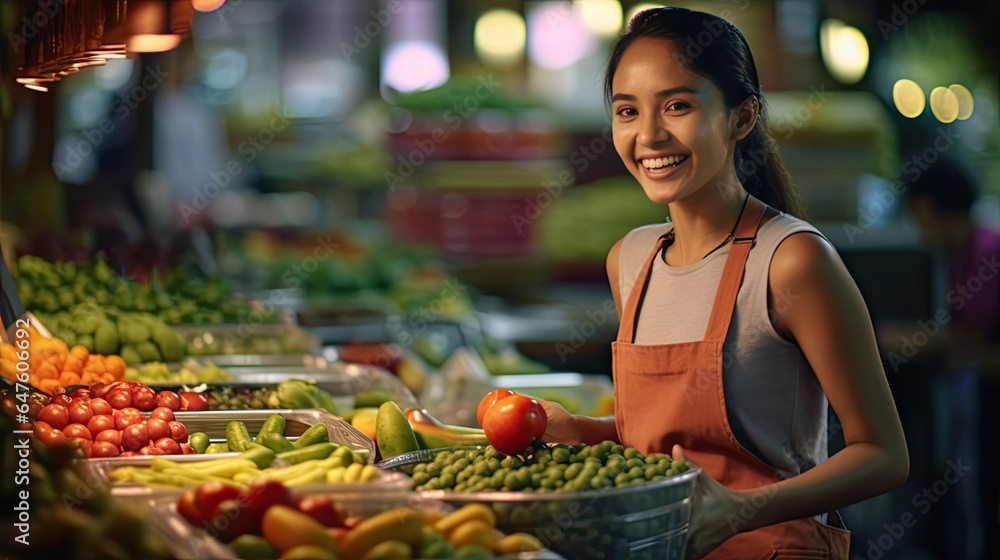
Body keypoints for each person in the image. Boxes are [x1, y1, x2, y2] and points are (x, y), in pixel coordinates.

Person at [540, 8, 908, 559]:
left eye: (678, 105)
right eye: (626, 111)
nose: (648, 135)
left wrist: (740, 512)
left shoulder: (792, 260)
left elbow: (883, 454)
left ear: (742, 116)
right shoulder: (630, 259)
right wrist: (579, 429)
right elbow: (666, 435)